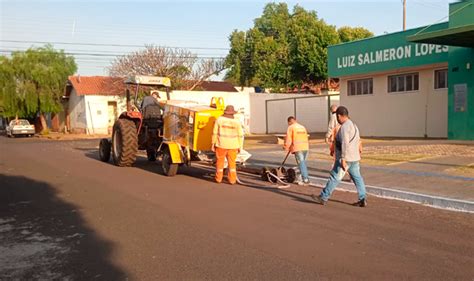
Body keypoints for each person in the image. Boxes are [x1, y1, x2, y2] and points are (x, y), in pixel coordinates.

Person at [311, 106, 367, 207]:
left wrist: (343, 158)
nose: (337, 119)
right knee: (358, 178)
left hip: (346, 157)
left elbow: (345, 143)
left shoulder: (345, 127)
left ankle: (323, 197)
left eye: (337, 117)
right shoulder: (354, 125)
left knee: (334, 177)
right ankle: (362, 198)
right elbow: (358, 141)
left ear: (339, 116)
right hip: (354, 157)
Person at [212, 105, 244, 185]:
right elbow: (240, 135)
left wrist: (213, 143)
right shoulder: (237, 122)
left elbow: (214, 133)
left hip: (221, 144)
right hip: (233, 145)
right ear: (233, 113)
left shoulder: (219, 120)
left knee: (220, 162)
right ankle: (232, 180)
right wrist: (240, 146)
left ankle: (218, 178)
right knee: (232, 163)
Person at [284, 116, 310, 185]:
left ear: (289, 122)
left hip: (298, 148)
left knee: (301, 164)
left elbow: (288, 139)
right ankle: (300, 178)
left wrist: (286, 147)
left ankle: (305, 180)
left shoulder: (291, 127)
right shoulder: (302, 127)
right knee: (302, 163)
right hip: (305, 147)